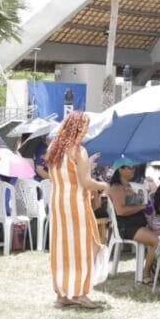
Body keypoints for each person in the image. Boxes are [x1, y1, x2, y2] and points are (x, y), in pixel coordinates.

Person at [45, 112, 109, 308]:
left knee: (62, 247)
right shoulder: (78, 151)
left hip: (57, 202)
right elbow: (86, 182)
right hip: (75, 203)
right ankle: (80, 292)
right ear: (79, 129)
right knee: (81, 246)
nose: (87, 131)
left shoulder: (54, 150)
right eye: (85, 128)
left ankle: (62, 293)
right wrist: (104, 186)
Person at [108, 158, 160, 284]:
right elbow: (120, 211)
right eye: (130, 167)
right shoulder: (116, 188)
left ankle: (158, 270)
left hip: (137, 224)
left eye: (134, 167)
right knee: (157, 242)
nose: (134, 170)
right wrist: (142, 206)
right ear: (120, 170)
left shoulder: (129, 186)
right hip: (127, 227)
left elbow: (136, 205)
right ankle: (145, 273)